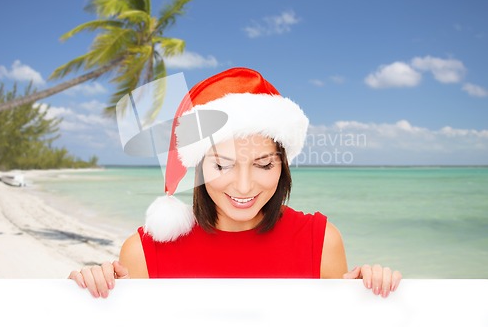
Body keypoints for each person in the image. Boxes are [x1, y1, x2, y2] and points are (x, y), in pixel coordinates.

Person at [69, 67, 401, 298]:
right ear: (198, 167)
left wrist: (371, 293)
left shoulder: (321, 242)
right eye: (222, 165)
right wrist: (87, 294)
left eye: (263, 164)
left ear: (282, 165)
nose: (243, 186)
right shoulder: (144, 251)